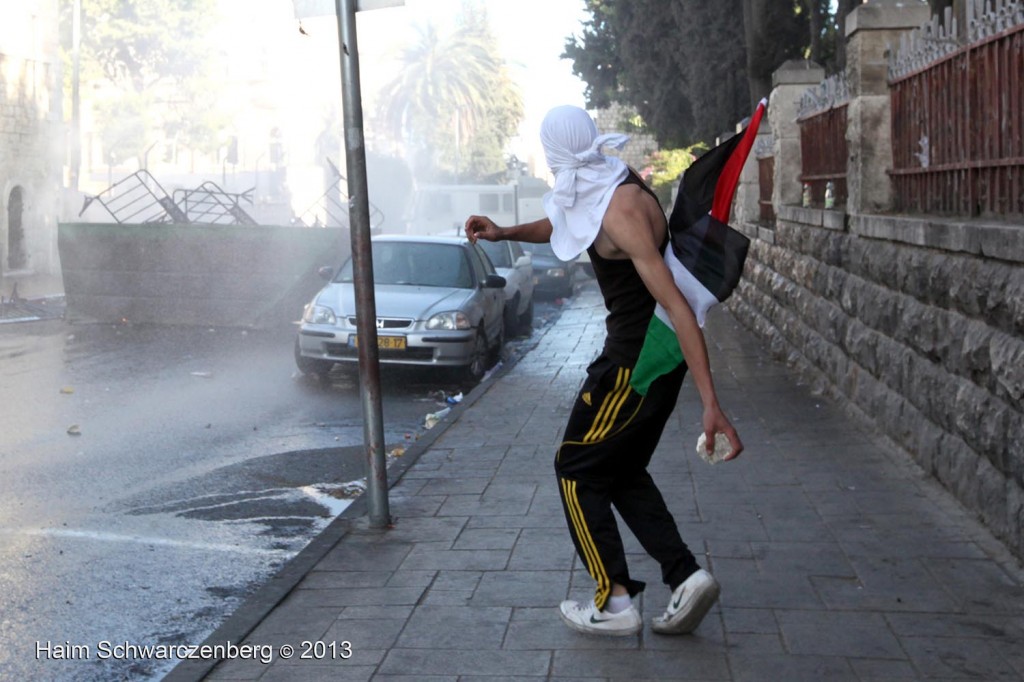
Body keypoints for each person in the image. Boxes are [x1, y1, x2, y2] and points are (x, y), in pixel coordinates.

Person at [465, 105, 744, 637]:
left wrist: (711, 402)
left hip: (634, 364)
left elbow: (679, 309)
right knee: (618, 470)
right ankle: (685, 576)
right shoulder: (613, 180)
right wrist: (505, 233)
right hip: (643, 358)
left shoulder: (620, 213)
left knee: (575, 468)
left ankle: (614, 601)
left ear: (558, 153)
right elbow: (569, 219)